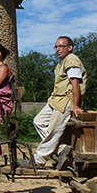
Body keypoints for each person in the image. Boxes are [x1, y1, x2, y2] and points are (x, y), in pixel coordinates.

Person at [29, 36, 87, 169]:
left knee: (54, 130)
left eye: (61, 46)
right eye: (56, 47)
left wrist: (76, 105)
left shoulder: (72, 59)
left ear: (70, 48)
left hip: (66, 100)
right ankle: (62, 149)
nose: (57, 49)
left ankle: (39, 160)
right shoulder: (61, 63)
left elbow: (75, 83)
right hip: (55, 100)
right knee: (38, 121)